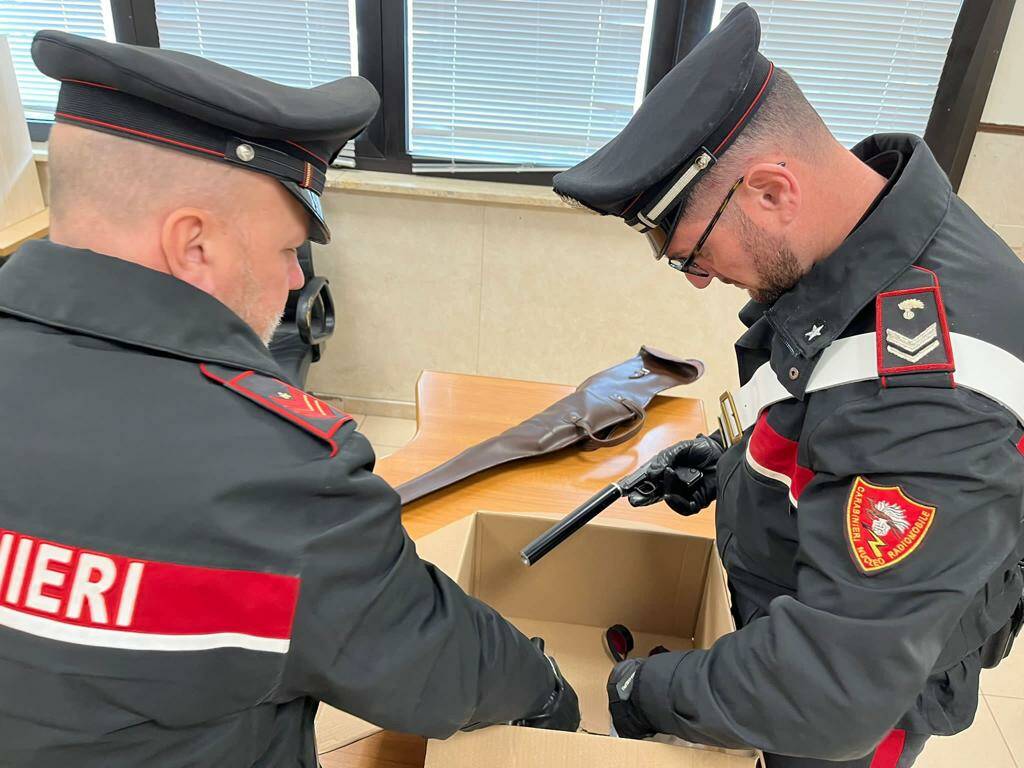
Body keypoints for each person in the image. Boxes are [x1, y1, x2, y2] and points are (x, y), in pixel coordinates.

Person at [0, 31, 578, 766]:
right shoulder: (269, 474)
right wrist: (550, 692)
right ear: (195, 245)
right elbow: (432, 665)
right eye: (285, 250)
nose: (298, 282)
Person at [554, 4, 1024, 767]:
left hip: (854, 708)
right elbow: (827, 405)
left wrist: (645, 690)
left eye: (690, 254)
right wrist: (730, 466)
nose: (699, 281)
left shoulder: (932, 396)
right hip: (826, 619)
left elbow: (825, 696)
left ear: (771, 192)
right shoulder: (881, 234)